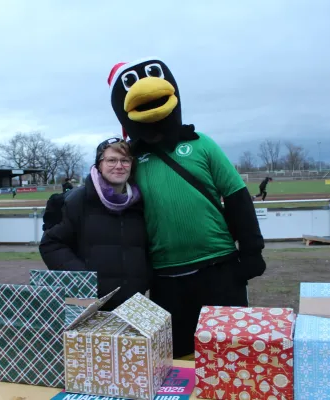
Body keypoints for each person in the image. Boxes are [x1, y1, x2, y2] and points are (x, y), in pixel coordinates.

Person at [107, 58, 265, 357]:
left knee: (230, 351)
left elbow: (236, 196)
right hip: (167, 277)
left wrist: (252, 250)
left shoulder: (202, 144)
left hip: (220, 267)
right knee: (175, 356)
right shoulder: (131, 160)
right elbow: (110, 196)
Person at [39, 137, 151, 311]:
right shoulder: (77, 200)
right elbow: (51, 244)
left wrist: (145, 278)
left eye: (125, 160)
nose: (119, 166)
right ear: (99, 164)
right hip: (90, 305)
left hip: (133, 305)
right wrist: (84, 278)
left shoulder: (141, 203)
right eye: (111, 160)